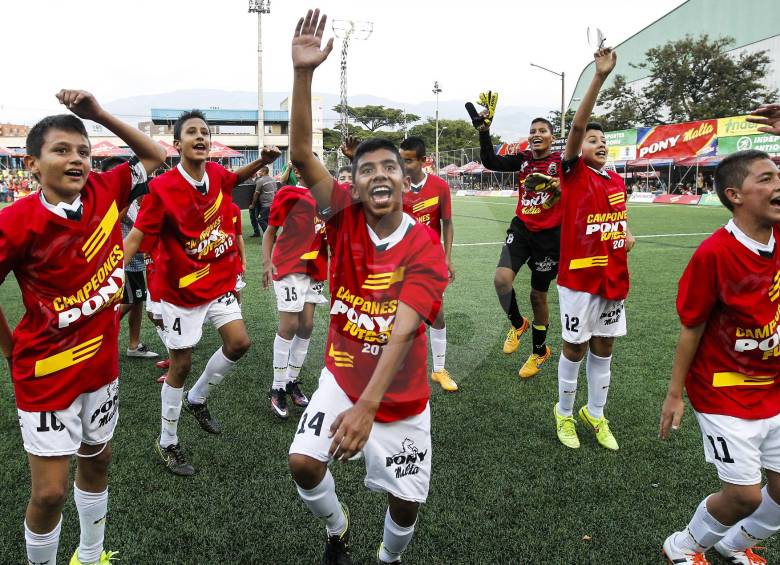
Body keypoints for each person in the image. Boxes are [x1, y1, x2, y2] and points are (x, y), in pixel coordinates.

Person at [287, 11, 448, 565]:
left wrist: (369, 408)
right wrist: (302, 73)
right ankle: (338, 529)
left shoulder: (425, 245)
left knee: (405, 503)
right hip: (341, 373)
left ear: (406, 180)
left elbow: (403, 332)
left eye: (390, 168)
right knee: (304, 463)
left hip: (399, 396)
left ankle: (388, 557)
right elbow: (302, 156)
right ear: (353, 184)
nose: (379, 174)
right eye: (366, 169)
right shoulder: (344, 218)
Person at [0, 90, 164, 565]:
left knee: (99, 459)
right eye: (61, 150)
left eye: (83, 151)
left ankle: (90, 556)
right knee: (48, 493)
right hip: (46, 372)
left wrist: (96, 115)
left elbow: (153, 156)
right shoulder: (15, 222)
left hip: (101, 365)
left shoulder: (105, 191)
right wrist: (10, 349)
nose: (76, 159)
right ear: (32, 164)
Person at [123, 109, 281, 476]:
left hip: (218, 282)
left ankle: (197, 398)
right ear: (177, 145)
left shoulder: (216, 175)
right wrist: (113, 273)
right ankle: (168, 441)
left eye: (205, 133)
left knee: (239, 343)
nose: (200, 137)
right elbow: (135, 236)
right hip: (179, 291)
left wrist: (262, 160)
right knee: (181, 364)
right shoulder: (161, 189)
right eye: (192, 133)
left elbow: (234, 177)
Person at [659, 109, 780, 564]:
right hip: (724, 392)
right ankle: (683, 546)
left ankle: (734, 547)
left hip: (773, 385)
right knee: (745, 495)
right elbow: (690, 328)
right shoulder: (713, 254)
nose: (777, 184)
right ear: (734, 195)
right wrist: (675, 395)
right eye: (766, 178)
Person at [552, 46, 635, 452]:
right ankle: (564, 414)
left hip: (613, 276)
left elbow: (617, 220)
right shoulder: (573, 173)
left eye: (603, 139)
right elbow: (575, 129)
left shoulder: (615, 180)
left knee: (605, 346)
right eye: (591, 138)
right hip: (579, 280)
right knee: (575, 347)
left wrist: (626, 234)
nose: (599, 143)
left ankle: (595, 413)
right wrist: (599, 78)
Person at [478, 108, 562, 379]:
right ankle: (518, 324)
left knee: (538, 296)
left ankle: (539, 352)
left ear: (552, 136)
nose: (536, 135)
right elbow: (490, 160)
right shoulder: (523, 159)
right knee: (501, 280)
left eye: (542, 131)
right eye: (533, 131)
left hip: (549, 237)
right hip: (522, 228)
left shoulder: (563, 162)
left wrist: (559, 185)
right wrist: (484, 132)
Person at [262, 174, 327, 419]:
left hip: (315, 270)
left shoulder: (328, 197)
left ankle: (291, 381)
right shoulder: (288, 194)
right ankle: (277, 386)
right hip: (288, 267)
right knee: (289, 324)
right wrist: (267, 262)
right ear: (298, 171)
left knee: (307, 325)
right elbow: (270, 232)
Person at [399, 136, 458, 392]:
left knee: (437, 314)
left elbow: (447, 223)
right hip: (400, 262)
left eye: (408, 160)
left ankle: (439, 369)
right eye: (401, 159)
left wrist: (447, 258)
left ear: (423, 161)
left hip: (430, 261)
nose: (404, 165)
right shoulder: (396, 186)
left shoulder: (440, 187)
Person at [100, 156, 160, 361]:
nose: (127, 179)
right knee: (129, 301)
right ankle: (96, 338)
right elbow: (112, 221)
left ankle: (134, 345)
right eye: (119, 174)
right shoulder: (113, 200)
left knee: (137, 300)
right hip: (123, 261)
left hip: (135, 262)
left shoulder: (132, 198)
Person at [252, 165, 278, 234]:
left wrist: (253, 204)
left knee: (261, 219)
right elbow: (275, 192)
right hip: (273, 204)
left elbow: (256, 194)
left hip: (266, 205)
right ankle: (270, 236)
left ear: (263, 172)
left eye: (260, 171)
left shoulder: (261, 181)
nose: (258, 172)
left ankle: (270, 236)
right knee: (267, 220)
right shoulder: (273, 180)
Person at [231, 201, 247, 302]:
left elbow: (238, 236)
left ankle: (238, 310)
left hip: (233, 259)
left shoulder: (234, 208)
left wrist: (243, 261)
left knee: (236, 289)